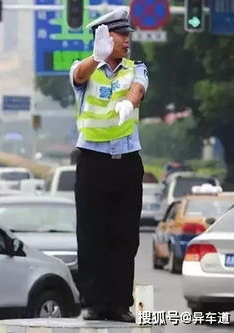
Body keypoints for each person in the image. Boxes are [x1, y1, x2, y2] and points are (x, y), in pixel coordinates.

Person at [69, 8, 148, 322]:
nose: (127, 41)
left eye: (128, 35)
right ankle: (94, 302)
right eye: (121, 35)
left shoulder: (136, 67)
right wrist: (96, 57)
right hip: (92, 163)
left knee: (125, 236)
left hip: (127, 162)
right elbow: (78, 76)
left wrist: (130, 101)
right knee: (91, 235)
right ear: (104, 37)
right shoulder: (85, 70)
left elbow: (139, 86)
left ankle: (119, 304)